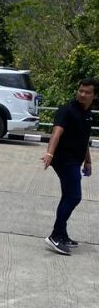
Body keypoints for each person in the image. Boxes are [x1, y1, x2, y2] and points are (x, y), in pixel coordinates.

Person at [41, 77, 95, 255]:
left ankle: (62, 234)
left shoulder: (87, 113)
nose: (83, 94)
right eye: (81, 91)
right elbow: (56, 132)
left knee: (68, 196)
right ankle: (55, 235)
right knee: (73, 197)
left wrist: (88, 160)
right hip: (64, 159)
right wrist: (49, 153)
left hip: (76, 159)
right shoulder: (67, 110)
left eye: (87, 92)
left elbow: (84, 139)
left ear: (95, 95)